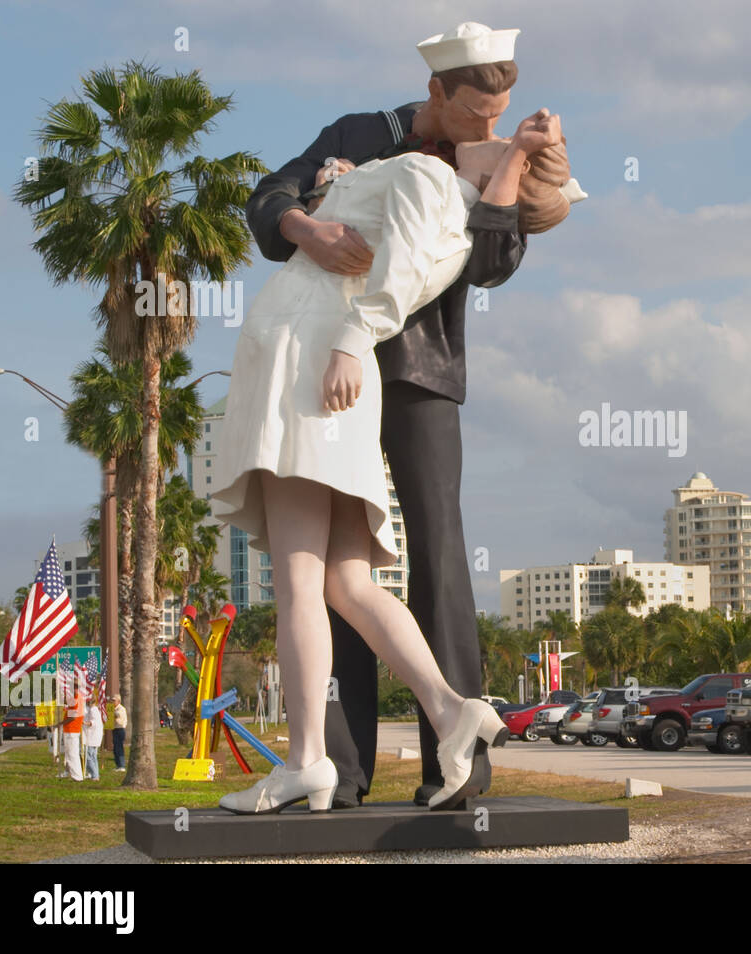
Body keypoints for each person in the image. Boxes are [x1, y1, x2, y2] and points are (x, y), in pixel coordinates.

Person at [210, 94, 576, 816]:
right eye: (482, 109)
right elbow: (271, 197)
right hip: (340, 352)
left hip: (399, 366)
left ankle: (428, 751)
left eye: (500, 115)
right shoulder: (364, 132)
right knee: (341, 582)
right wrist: (306, 222)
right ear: (443, 94)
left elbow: (487, 262)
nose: (491, 122)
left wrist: (511, 173)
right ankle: (351, 761)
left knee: (424, 556)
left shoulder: (476, 171)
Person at [60, 688, 85, 782]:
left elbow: (73, 717)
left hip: (72, 730)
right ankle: (76, 774)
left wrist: (60, 723)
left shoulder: (76, 700)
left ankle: (77, 776)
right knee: (71, 754)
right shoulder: (77, 699)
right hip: (71, 730)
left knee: (71, 754)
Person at [83, 699, 104, 781]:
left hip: (92, 737)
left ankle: (94, 774)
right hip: (95, 737)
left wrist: (84, 723)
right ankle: (95, 774)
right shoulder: (94, 710)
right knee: (93, 757)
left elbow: (93, 722)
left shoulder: (93, 710)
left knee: (88, 757)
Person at [111, 695, 127, 772]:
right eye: (112, 700)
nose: (113, 702)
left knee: (119, 748)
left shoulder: (121, 709)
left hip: (120, 729)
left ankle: (122, 765)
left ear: (118, 701)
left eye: (114, 700)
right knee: (115, 748)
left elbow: (118, 716)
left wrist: (111, 713)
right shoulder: (112, 709)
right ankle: (118, 765)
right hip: (114, 729)